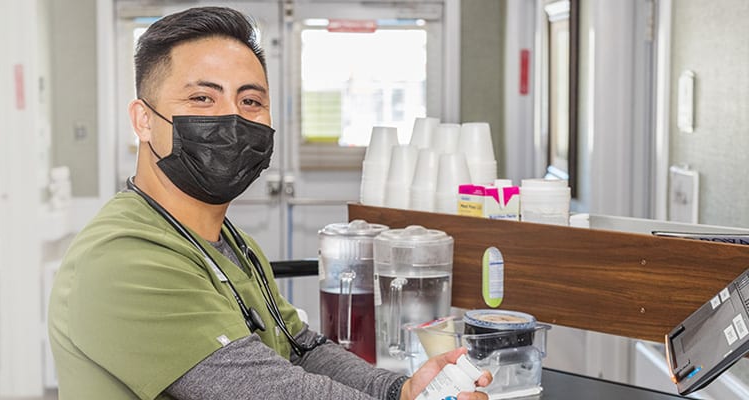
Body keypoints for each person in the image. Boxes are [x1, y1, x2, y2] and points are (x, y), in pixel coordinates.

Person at [46, 6, 492, 400]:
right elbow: (264, 388)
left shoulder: (233, 245)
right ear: (144, 120)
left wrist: (397, 390)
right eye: (202, 98)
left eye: (251, 101)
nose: (233, 119)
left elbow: (299, 347)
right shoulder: (125, 260)